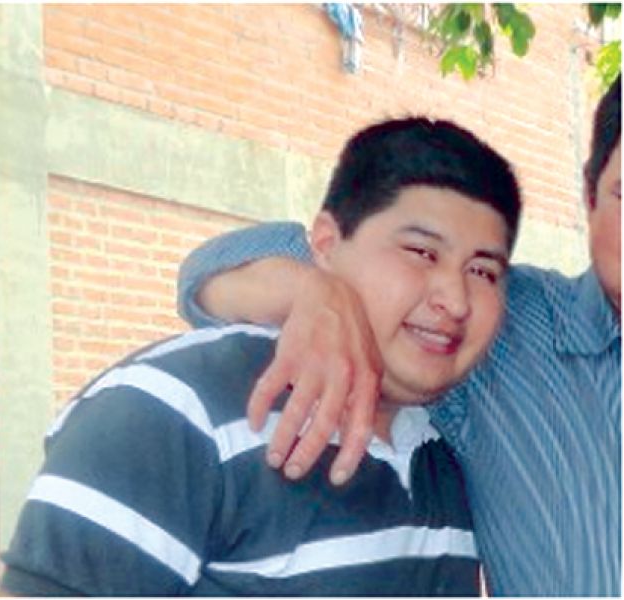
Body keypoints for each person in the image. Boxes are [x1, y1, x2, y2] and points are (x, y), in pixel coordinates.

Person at [0, 116, 524, 596]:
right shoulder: (176, 409)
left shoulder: (453, 447)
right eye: (421, 252)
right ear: (325, 244)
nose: (456, 300)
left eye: (483, 271)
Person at [176, 76, 621, 596]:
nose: (455, 296)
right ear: (589, 194)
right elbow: (209, 274)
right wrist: (315, 293)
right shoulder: (506, 331)